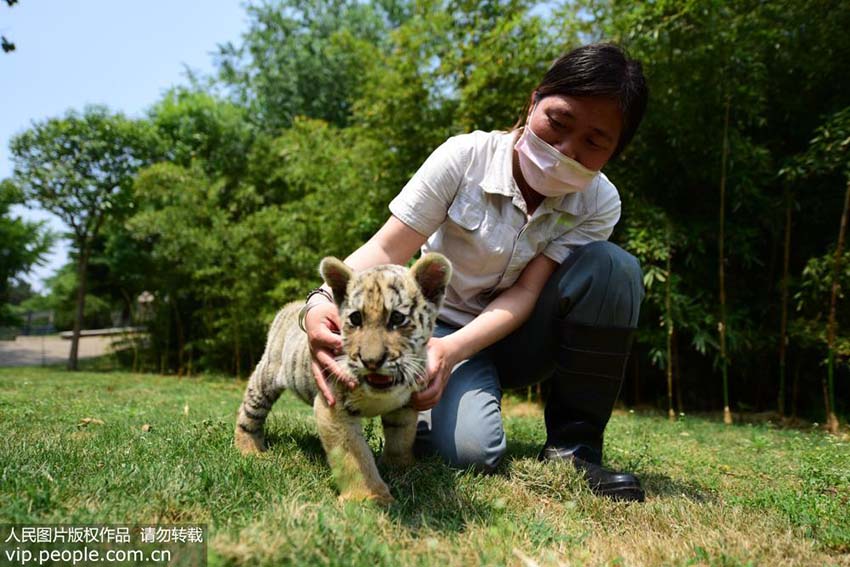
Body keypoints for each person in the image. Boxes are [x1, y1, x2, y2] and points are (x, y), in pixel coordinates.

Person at [303, 42, 649, 502]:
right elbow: (387, 247)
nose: (565, 149)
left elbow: (527, 293)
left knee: (613, 268)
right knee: (471, 453)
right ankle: (432, 410)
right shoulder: (464, 157)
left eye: (594, 142)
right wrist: (319, 303)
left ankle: (574, 448)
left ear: (615, 152)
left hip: (520, 338)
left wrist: (453, 353)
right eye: (559, 122)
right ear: (533, 102)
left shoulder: (600, 203)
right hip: (438, 330)